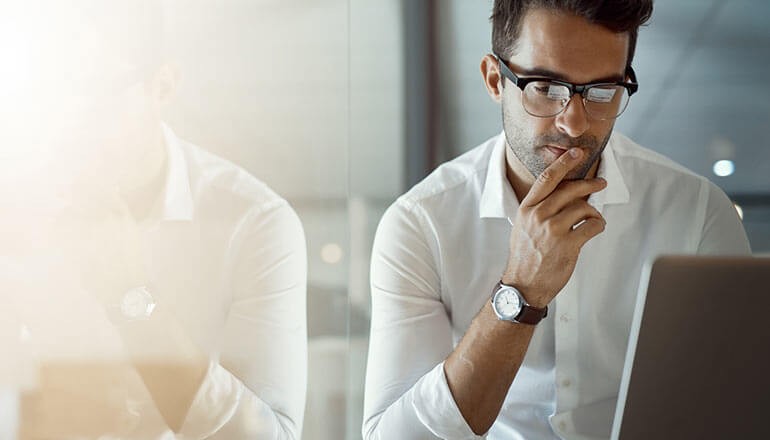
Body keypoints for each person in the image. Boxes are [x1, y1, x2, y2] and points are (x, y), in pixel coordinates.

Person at [363, 1, 750, 439]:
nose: (574, 121)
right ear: (495, 79)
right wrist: (521, 291)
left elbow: (735, 410)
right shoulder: (421, 224)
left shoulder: (697, 213)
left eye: (603, 90)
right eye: (545, 86)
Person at [1, 2, 306, 438]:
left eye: (97, 88)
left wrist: (129, 295)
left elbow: (273, 435)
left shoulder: (254, 224)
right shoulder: (13, 212)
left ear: (162, 85)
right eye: (55, 91)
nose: (70, 119)